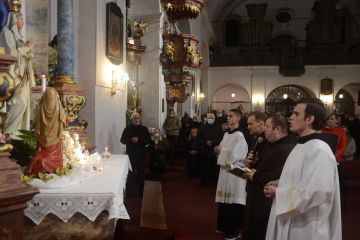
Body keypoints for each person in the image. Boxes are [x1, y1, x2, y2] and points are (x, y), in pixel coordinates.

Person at [264, 99, 342, 240]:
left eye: (296, 114)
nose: (290, 117)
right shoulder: (301, 145)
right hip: (294, 217)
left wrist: (279, 193)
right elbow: (301, 178)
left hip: (307, 225)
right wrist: (280, 183)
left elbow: (317, 191)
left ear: (309, 119)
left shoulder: (319, 149)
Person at [242, 113, 296, 240]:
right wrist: (251, 163)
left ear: (277, 129)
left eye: (267, 126)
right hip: (256, 198)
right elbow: (264, 167)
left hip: (266, 203)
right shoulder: (269, 144)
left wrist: (254, 175)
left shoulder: (287, 148)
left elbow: (279, 176)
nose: (264, 129)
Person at [0, 6, 36, 138]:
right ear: (14, 20)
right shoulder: (6, 32)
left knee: (25, 105)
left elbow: (23, 54)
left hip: (23, 77)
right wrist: (27, 47)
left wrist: (28, 48)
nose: (23, 23)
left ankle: (19, 136)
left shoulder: (18, 36)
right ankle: (8, 133)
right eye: (21, 19)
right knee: (19, 103)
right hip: (13, 76)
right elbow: (11, 54)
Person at [214, 109, 248, 240]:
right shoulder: (227, 134)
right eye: (227, 116)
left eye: (230, 116)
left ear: (238, 119)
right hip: (224, 170)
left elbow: (238, 155)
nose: (227, 118)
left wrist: (221, 150)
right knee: (224, 201)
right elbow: (222, 148)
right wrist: (218, 149)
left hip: (234, 172)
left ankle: (233, 229)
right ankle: (223, 225)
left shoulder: (240, 135)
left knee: (232, 201)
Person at [26, 87, 66, 175]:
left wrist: (38, 130)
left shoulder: (40, 109)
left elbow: (35, 125)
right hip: (51, 144)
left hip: (45, 144)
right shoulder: (59, 110)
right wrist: (59, 134)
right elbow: (62, 123)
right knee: (40, 160)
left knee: (40, 161)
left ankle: (45, 167)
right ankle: (48, 168)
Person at [121, 112, 151, 197]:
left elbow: (148, 141)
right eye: (135, 118)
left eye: (138, 118)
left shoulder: (144, 129)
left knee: (141, 174)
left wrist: (139, 140)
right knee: (130, 174)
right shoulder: (127, 129)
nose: (136, 119)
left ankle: (142, 192)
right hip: (130, 155)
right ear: (132, 119)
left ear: (140, 118)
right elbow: (122, 140)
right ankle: (129, 192)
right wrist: (131, 140)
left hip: (141, 155)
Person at [198, 113, 223, 187]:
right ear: (207, 118)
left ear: (214, 119)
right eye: (209, 118)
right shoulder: (202, 127)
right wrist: (205, 142)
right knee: (203, 167)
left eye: (212, 118)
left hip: (214, 151)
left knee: (213, 168)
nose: (210, 119)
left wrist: (213, 142)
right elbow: (198, 138)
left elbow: (220, 138)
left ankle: (213, 183)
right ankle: (203, 182)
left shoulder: (218, 128)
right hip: (204, 150)